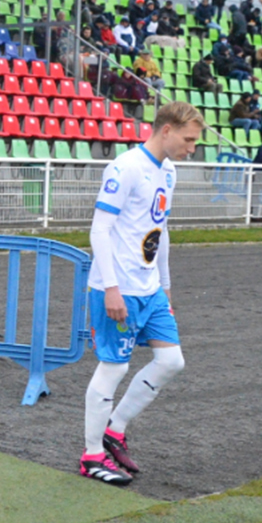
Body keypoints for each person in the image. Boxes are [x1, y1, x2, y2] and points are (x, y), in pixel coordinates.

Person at [81, 102, 201, 486]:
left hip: (149, 290)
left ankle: (114, 429)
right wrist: (112, 288)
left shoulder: (169, 171)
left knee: (171, 362)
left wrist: (164, 287)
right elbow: (99, 230)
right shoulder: (126, 166)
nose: (192, 147)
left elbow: (160, 229)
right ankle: (92, 456)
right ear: (166, 129)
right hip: (117, 289)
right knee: (113, 367)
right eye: (188, 139)